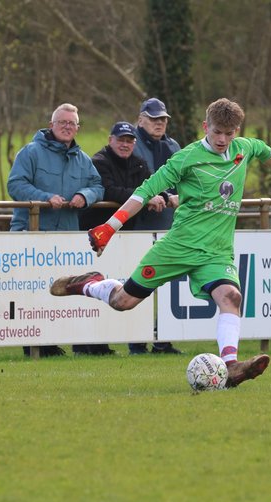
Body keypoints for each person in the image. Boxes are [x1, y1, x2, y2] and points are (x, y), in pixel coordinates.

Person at [49, 98, 271, 387]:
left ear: (237, 131)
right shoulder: (186, 158)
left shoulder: (244, 148)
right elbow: (145, 192)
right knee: (123, 302)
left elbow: (265, 150)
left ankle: (231, 365)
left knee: (231, 298)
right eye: (217, 132)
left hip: (216, 252)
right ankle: (90, 284)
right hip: (178, 246)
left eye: (229, 133)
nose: (222, 139)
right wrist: (110, 226)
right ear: (205, 126)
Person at [8, 102, 104, 357]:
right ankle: (35, 346)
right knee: (33, 292)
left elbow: (97, 185)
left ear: (78, 128)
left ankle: (56, 342)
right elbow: (15, 184)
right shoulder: (30, 153)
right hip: (32, 234)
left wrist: (85, 195)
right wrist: (44, 197)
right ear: (51, 125)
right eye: (62, 122)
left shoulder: (83, 160)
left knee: (63, 290)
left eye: (71, 123)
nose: (66, 127)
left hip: (66, 238)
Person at [73, 121, 153, 356]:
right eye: (121, 140)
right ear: (110, 140)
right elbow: (109, 191)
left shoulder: (139, 163)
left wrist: (159, 196)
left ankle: (118, 342)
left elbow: (150, 186)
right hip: (97, 237)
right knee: (94, 286)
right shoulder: (100, 161)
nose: (125, 144)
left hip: (127, 237)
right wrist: (146, 198)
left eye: (129, 140)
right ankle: (86, 345)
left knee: (122, 290)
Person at [128, 97, 184, 355]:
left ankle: (164, 340)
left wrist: (175, 197)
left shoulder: (172, 145)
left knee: (166, 286)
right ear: (141, 119)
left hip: (168, 224)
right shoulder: (132, 144)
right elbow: (137, 180)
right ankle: (137, 340)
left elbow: (186, 177)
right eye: (153, 118)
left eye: (162, 119)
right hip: (139, 225)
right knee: (139, 282)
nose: (159, 123)